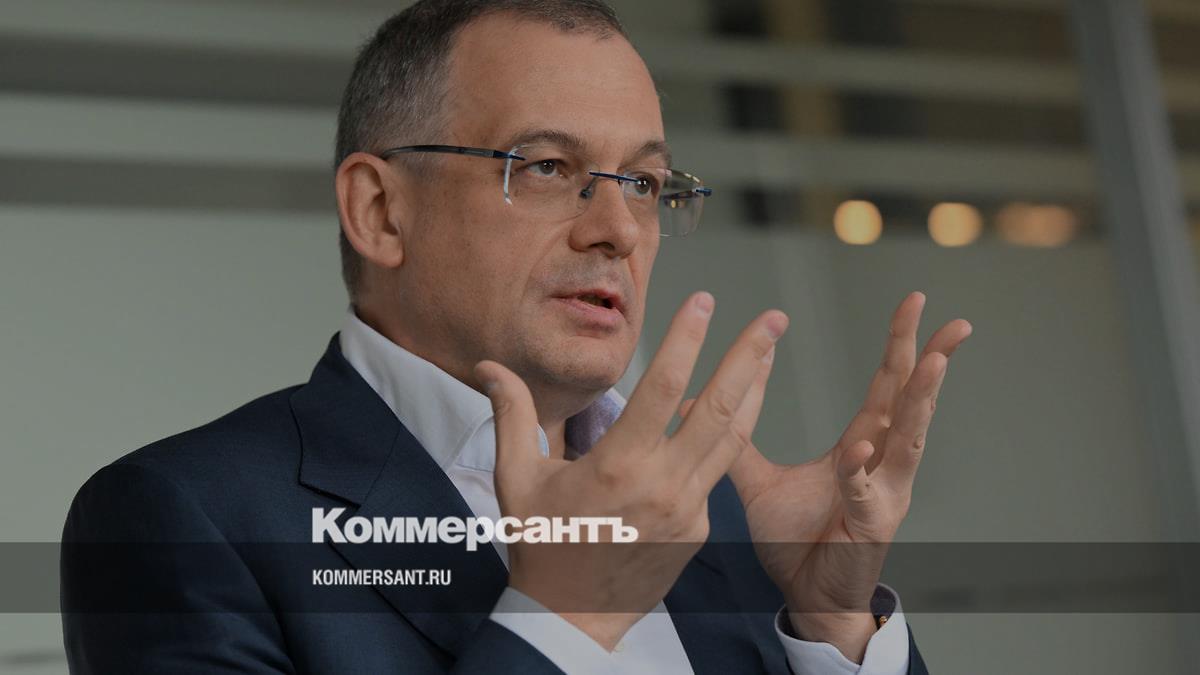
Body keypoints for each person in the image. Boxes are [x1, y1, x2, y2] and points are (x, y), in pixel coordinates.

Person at [61, 1, 971, 672]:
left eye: (644, 184)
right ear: (380, 210)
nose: (616, 229)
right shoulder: (181, 520)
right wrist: (564, 615)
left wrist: (831, 625)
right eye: (546, 167)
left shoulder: (710, 510)